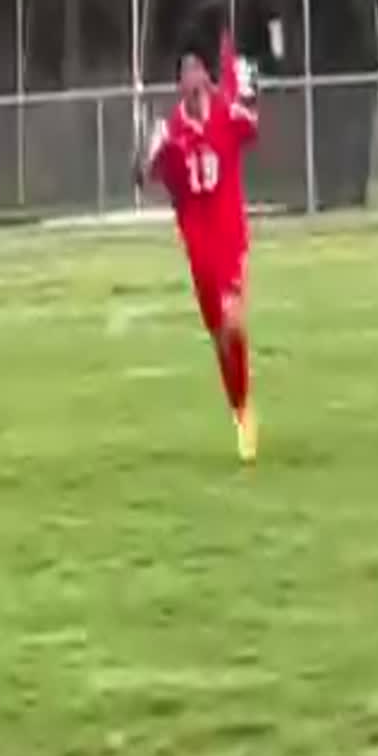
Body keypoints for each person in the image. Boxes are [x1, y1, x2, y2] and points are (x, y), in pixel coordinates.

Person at [137, 24, 260, 461]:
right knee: (220, 338)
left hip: (229, 236)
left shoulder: (225, 113)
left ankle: (245, 414)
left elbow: (251, 124)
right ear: (178, 83)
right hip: (199, 247)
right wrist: (147, 150)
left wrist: (244, 81)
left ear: (206, 76)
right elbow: (144, 176)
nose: (192, 79)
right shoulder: (172, 131)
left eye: (197, 69)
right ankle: (239, 407)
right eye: (185, 72)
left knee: (234, 323)